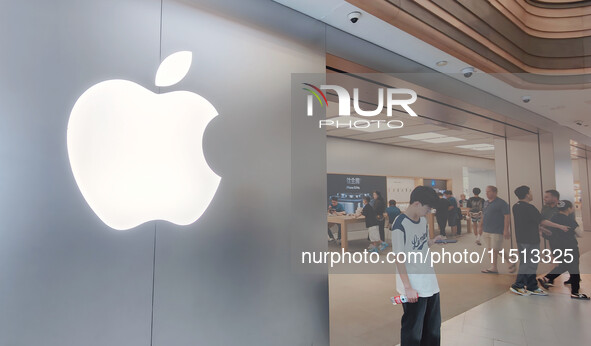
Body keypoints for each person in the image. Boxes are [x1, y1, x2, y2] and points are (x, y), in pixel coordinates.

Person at [391, 186, 442, 346]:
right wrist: (408, 287)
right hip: (413, 286)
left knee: (433, 328)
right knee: (413, 330)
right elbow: (399, 258)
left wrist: (434, 241)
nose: (429, 211)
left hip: (430, 282)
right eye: (428, 208)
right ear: (417, 203)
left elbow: (423, 244)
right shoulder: (400, 224)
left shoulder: (424, 221)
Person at [509, 186, 568, 296]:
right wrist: (560, 226)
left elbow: (527, 223)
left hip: (521, 239)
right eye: (530, 192)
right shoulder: (529, 207)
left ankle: (532, 286)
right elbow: (542, 221)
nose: (532, 194)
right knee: (528, 263)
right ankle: (518, 285)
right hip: (530, 240)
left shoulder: (516, 206)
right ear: (527, 194)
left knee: (528, 263)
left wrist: (542, 229)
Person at [538, 200, 589, 300]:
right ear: (569, 208)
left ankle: (548, 278)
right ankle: (575, 292)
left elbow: (547, 232)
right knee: (574, 267)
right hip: (570, 246)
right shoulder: (569, 220)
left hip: (556, 247)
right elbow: (580, 233)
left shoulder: (553, 218)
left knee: (565, 264)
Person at [480, 185, 515, 274]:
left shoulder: (502, 203)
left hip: (497, 230)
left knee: (496, 248)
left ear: (495, 192)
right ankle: (494, 267)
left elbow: (507, 217)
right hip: (486, 229)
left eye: (489, 191)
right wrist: (480, 226)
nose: (487, 193)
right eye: (486, 192)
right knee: (490, 249)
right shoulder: (486, 202)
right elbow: (484, 215)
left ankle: (509, 260)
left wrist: (506, 230)